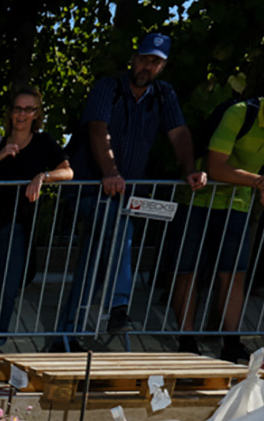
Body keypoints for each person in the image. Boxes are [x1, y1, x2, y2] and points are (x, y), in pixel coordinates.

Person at [55, 33, 206, 348]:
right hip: (90, 190)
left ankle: (65, 335)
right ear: (133, 57)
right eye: (143, 58)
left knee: (95, 264)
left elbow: (178, 133)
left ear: (163, 66)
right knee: (119, 229)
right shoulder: (108, 88)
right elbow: (98, 130)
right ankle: (119, 307)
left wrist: (190, 168)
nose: (147, 66)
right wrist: (110, 173)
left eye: (155, 62)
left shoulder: (164, 95)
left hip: (124, 194)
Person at [171, 64, 264, 362]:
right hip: (198, 198)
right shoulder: (240, 112)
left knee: (234, 273)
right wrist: (262, 181)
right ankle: (186, 340)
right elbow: (215, 167)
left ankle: (231, 342)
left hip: (237, 203)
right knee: (189, 271)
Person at [0, 86, 73, 367]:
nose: (22, 115)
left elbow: (68, 171)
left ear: (37, 114)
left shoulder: (44, 143)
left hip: (16, 225)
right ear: (10, 113)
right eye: (18, 109)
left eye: (29, 109)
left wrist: (42, 176)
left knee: (7, 287)